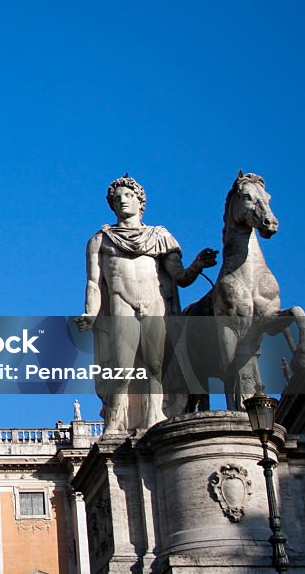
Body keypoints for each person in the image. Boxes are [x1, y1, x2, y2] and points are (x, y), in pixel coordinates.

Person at [75, 175, 216, 434]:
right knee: (121, 367)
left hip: (155, 303)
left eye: (127, 196)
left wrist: (197, 265)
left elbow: (180, 277)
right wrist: (91, 312)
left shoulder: (159, 236)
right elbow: (94, 282)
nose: (121, 201)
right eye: (116, 198)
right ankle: (115, 424)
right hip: (121, 304)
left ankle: (154, 417)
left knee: (156, 366)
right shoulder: (100, 240)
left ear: (140, 202)